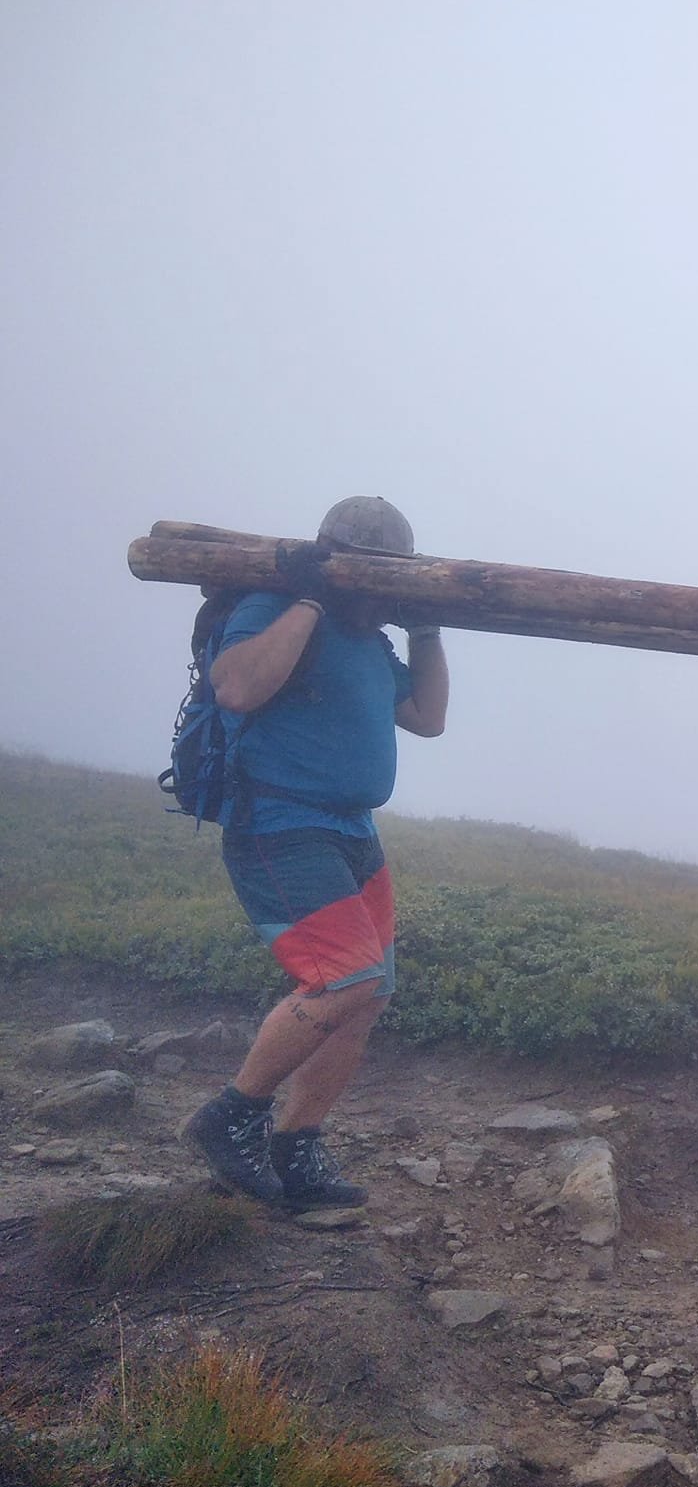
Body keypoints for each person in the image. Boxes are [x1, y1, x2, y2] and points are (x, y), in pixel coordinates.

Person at [180, 496, 450, 1210]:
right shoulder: (274, 606)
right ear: (335, 562)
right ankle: (232, 1115)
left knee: (369, 992)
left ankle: (296, 1146)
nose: (377, 593)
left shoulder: (372, 643)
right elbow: (236, 686)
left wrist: (426, 625)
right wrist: (308, 597)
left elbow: (428, 718)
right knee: (345, 980)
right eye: (369, 576)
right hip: (279, 826)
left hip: (354, 831)